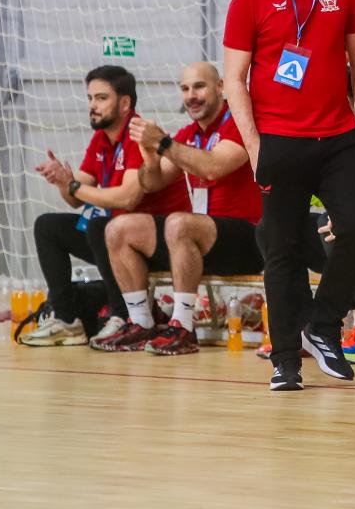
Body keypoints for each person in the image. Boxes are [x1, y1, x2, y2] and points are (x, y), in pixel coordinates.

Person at [223, 0, 355, 392]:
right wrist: (254, 148)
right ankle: (286, 359)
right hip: (280, 141)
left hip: (340, 137)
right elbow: (234, 79)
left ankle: (323, 324)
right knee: (282, 249)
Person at [89, 62, 263, 355]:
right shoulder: (187, 134)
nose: (191, 95)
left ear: (220, 87)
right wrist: (150, 157)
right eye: (185, 89)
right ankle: (141, 321)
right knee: (119, 228)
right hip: (198, 238)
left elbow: (213, 167)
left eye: (199, 87)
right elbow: (151, 183)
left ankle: (182, 325)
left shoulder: (239, 124)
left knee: (179, 223)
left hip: (248, 239)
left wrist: (163, 142)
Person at [21, 66, 190, 347]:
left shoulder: (140, 135)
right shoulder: (102, 138)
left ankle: (121, 315)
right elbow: (76, 198)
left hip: (157, 242)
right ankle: (66, 320)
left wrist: (74, 186)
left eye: (101, 98)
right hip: (114, 240)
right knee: (48, 226)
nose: (92, 106)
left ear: (124, 103)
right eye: (90, 98)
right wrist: (63, 181)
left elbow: (127, 198)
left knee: (102, 226)